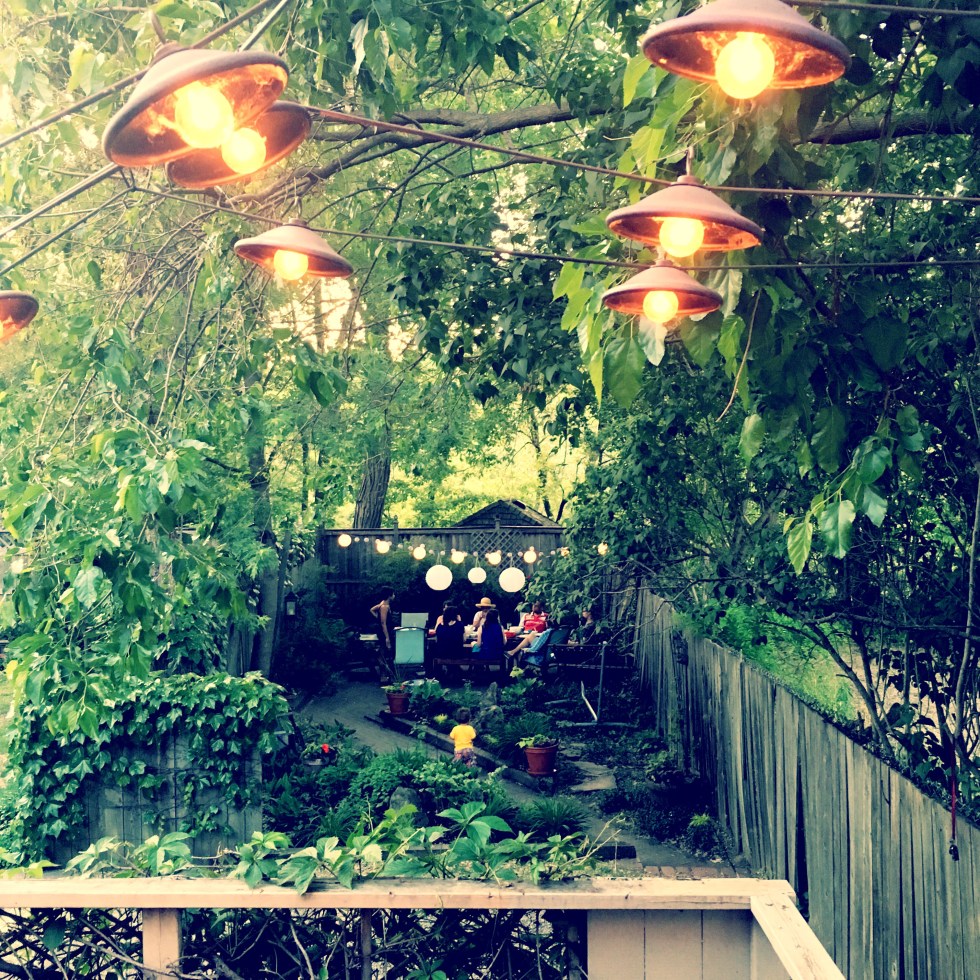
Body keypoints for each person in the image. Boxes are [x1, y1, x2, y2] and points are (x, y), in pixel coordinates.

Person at [370, 587, 395, 679]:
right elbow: (383, 623)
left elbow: (372, 609)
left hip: (386, 631)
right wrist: (387, 637)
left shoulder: (383, 604)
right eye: (393, 594)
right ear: (389, 596)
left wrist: (377, 616)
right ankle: (383, 673)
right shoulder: (384, 606)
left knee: (384, 650)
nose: (394, 596)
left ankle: (385, 672)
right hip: (384, 632)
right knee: (385, 651)